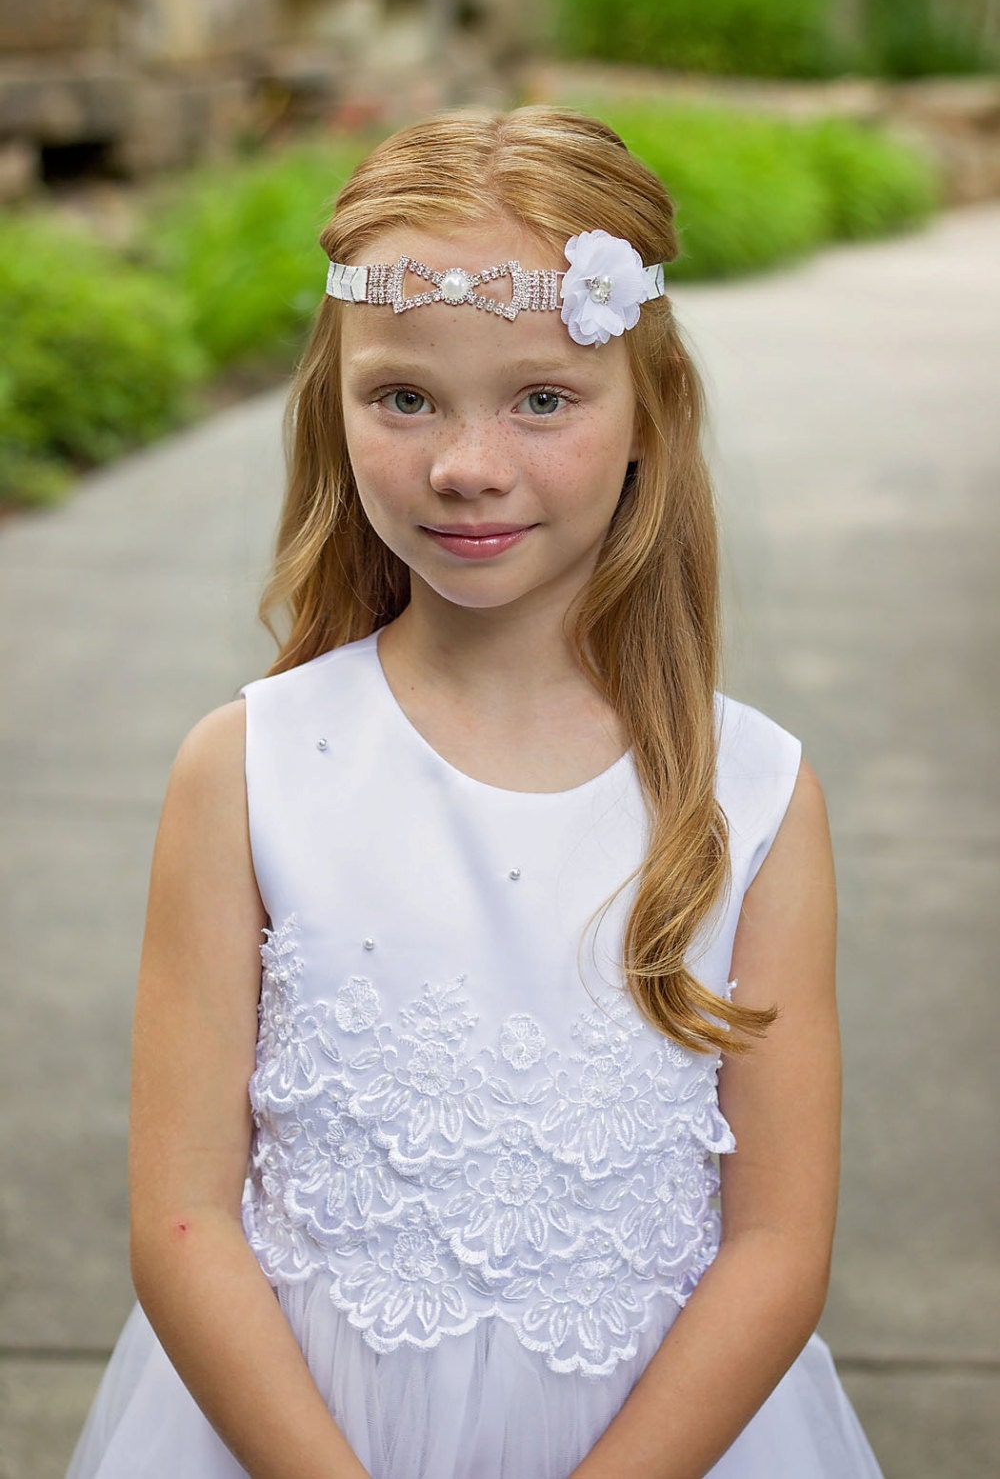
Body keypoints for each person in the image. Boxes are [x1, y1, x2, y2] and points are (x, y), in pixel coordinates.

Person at [67, 106, 883, 1479]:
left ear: (650, 416)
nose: (466, 465)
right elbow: (183, 1222)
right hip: (294, 1435)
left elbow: (776, 1240)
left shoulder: (755, 797)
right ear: (336, 404)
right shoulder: (252, 770)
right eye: (404, 398)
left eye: (543, 397)